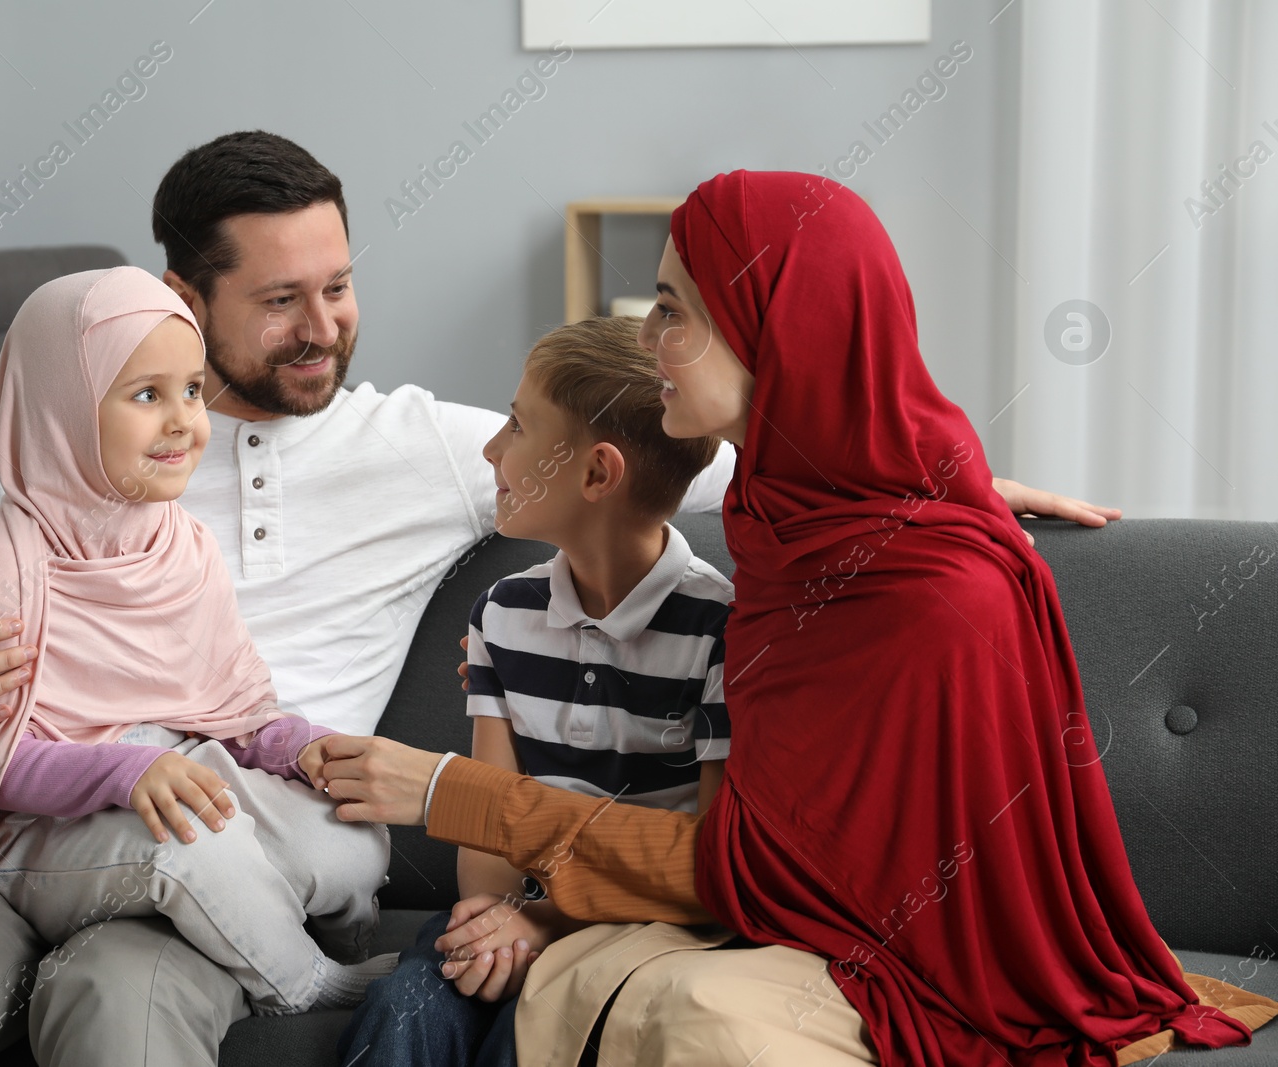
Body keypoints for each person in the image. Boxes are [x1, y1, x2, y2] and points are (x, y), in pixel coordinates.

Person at [0, 130, 1121, 1067]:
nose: (322, 324)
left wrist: (944, 477)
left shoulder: (423, 442)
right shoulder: (50, 469)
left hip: (251, 846)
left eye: (338, 286)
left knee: (118, 988)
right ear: (184, 301)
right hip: (14, 829)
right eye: (278, 301)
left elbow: (659, 442)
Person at [317, 170, 1278, 1066]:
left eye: (670, 311)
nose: (646, 337)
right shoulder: (777, 517)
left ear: (775, 328)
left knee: (685, 1014)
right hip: (739, 918)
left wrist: (451, 793)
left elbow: (754, 865)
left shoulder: (930, 593)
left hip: (886, 946)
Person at [0, 264, 397, 1020]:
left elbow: (230, 708)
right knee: (192, 848)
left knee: (351, 833)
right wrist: (126, 769)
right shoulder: (1, 564)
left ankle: (282, 914)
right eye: (147, 395)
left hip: (164, 774)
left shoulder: (182, 542)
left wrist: (299, 748)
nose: (183, 420)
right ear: (63, 408)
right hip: (37, 834)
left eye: (194, 390)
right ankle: (307, 984)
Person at [336, 316, 734, 1067]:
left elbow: (706, 866)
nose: (490, 450)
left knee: (528, 1038)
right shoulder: (503, 613)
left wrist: (545, 925)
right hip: (510, 909)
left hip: (643, 930)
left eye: (516, 425)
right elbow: (487, 817)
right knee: (401, 1016)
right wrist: (503, 922)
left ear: (595, 474)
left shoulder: (719, 629)